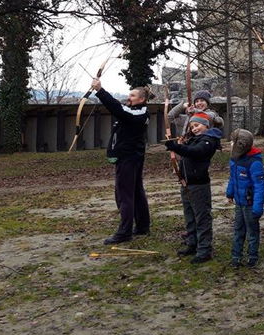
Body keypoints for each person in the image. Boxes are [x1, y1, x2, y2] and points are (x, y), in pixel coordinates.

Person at [91, 78, 151, 245]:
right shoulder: (134, 111)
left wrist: (100, 91)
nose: (129, 97)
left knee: (124, 194)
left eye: (132, 95)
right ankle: (142, 226)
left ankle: (125, 232)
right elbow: (121, 109)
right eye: (129, 95)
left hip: (129, 158)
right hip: (129, 157)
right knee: (136, 191)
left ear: (142, 99)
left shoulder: (139, 113)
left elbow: (118, 108)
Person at [165, 112, 223, 264]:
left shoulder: (208, 141)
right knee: (190, 216)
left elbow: (195, 153)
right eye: (192, 126)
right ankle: (193, 244)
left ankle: (204, 250)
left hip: (199, 185)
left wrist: (177, 147)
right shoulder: (193, 140)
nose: (194, 128)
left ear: (206, 125)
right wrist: (178, 147)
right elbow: (186, 152)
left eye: (197, 125)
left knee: (202, 218)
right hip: (186, 183)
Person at [226, 129, 264, 268]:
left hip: (250, 205)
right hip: (239, 203)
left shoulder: (254, 162)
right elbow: (232, 178)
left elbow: (260, 186)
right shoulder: (235, 160)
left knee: (252, 231)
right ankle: (236, 256)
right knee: (238, 230)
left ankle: (252, 256)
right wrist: (230, 193)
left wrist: (257, 207)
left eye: (232, 142)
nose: (230, 144)